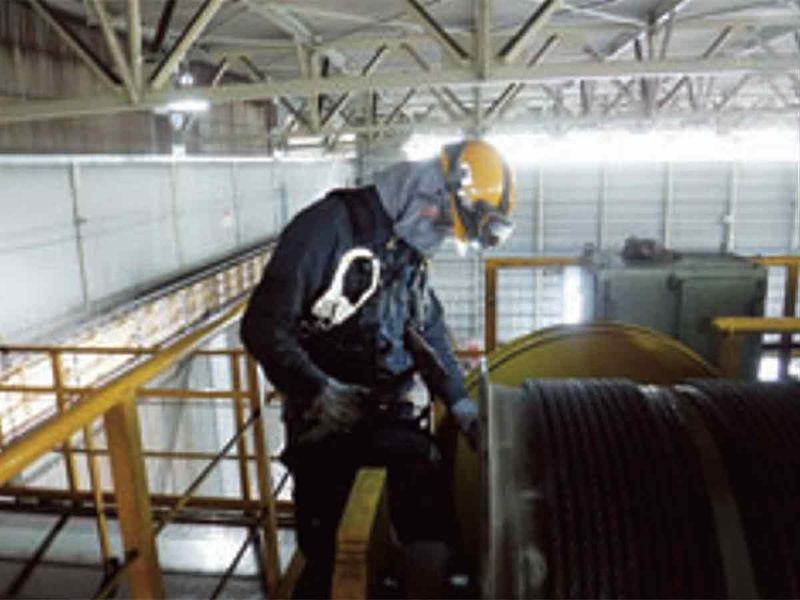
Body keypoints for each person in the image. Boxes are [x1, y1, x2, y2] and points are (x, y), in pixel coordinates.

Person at [241, 139, 515, 598]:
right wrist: (319, 391)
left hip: (389, 414)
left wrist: (460, 401)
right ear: (428, 186)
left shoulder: (405, 249)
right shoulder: (324, 230)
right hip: (326, 424)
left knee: (429, 528)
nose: (438, 235)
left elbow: (427, 326)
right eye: (441, 221)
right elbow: (263, 327)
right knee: (332, 558)